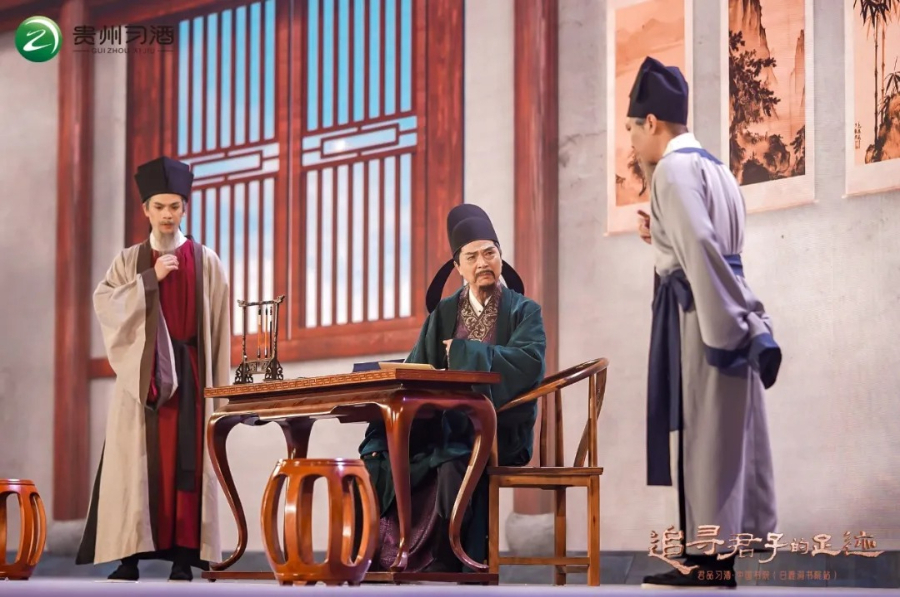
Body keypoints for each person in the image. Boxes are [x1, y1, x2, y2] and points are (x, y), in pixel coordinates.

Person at [624, 57, 781, 589]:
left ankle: (709, 564)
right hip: (724, 300)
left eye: (632, 130)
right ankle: (714, 561)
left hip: (705, 315)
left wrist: (734, 326)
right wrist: (660, 234)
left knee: (705, 437)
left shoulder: (671, 170)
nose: (632, 143)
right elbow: (712, 243)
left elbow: (701, 249)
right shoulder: (717, 169)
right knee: (727, 439)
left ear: (651, 122)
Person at [357, 204, 546, 573]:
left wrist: (462, 352)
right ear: (458, 267)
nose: (483, 263)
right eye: (471, 257)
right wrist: (381, 428)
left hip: (497, 429)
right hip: (440, 429)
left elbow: (528, 363)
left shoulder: (524, 311)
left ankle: (447, 558)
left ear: (501, 256)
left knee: (451, 461)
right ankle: (391, 558)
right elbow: (414, 370)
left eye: (489, 253)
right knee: (383, 456)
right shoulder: (443, 314)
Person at [76, 156, 232, 582]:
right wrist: (149, 279)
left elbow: (220, 329)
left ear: (185, 208)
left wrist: (220, 394)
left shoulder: (207, 261)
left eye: (174, 206)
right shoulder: (129, 261)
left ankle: (184, 558)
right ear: (145, 209)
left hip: (192, 377)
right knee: (137, 466)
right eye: (159, 206)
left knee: (187, 468)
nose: (167, 214)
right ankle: (129, 558)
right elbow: (106, 303)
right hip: (143, 380)